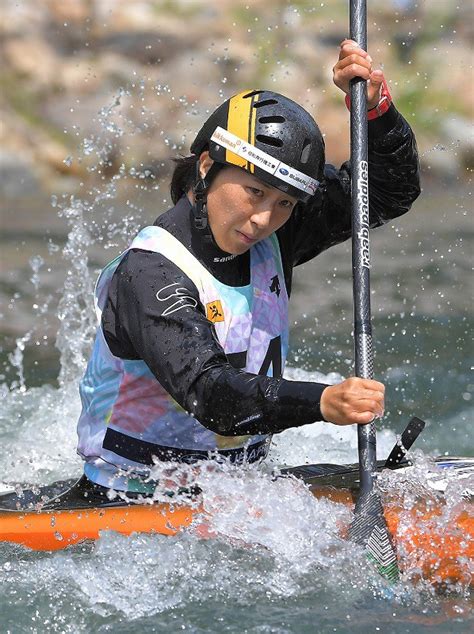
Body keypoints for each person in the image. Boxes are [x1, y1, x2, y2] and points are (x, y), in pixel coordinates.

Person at [76, 40, 420, 495]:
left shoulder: (276, 234)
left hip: (241, 488)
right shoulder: (151, 272)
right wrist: (323, 401)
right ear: (206, 167)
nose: (263, 219)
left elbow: (387, 192)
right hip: (129, 493)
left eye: (283, 203)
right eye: (253, 192)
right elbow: (211, 394)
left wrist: (375, 111)